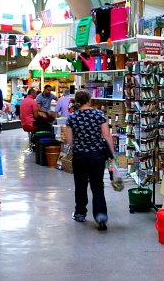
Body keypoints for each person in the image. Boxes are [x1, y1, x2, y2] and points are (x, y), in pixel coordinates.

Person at [65, 91, 115, 231]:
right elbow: (106, 135)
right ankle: (101, 216)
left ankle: (80, 213)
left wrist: (80, 143)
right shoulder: (99, 115)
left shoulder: (72, 117)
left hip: (80, 157)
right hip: (97, 156)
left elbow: (69, 140)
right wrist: (111, 154)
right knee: (97, 186)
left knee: (80, 186)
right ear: (89, 100)